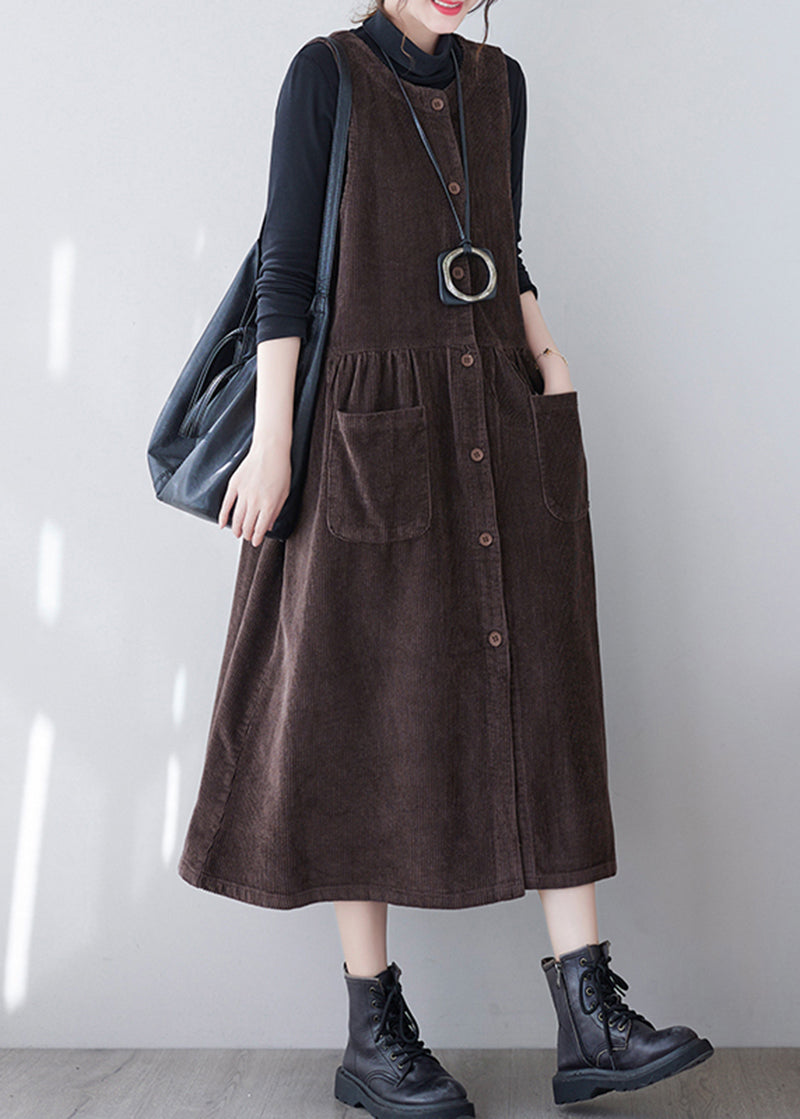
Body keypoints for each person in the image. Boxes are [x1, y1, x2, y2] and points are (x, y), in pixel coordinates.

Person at [177, 1, 714, 1112]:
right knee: (360, 708)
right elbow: (286, 270)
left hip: (501, 416)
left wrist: (549, 361)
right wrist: (272, 446)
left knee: (543, 693)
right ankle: (372, 1034)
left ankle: (589, 1018)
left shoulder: (500, 84)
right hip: (363, 437)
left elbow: (500, 248)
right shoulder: (325, 75)